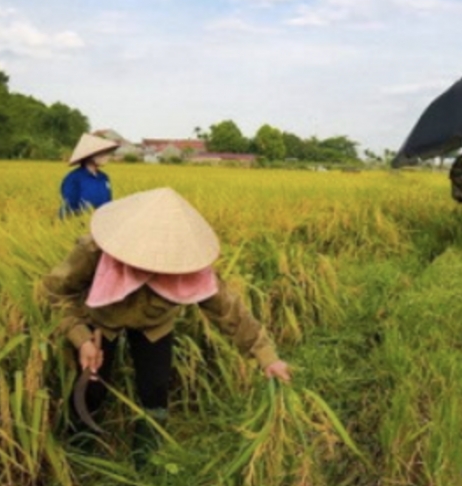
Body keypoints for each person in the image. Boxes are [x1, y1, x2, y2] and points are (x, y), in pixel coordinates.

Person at [43, 187, 292, 467]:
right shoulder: (95, 251)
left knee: (156, 386)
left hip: (155, 324)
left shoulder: (191, 267)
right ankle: (81, 447)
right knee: (92, 386)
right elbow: (56, 293)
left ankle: (148, 452)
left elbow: (229, 312)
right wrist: (82, 338)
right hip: (102, 323)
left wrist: (266, 356)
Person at [60, 133, 118, 217]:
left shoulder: (104, 177)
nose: (107, 157)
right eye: (103, 153)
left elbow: (108, 203)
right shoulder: (73, 178)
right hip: (78, 224)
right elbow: (70, 206)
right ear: (91, 155)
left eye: (107, 153)